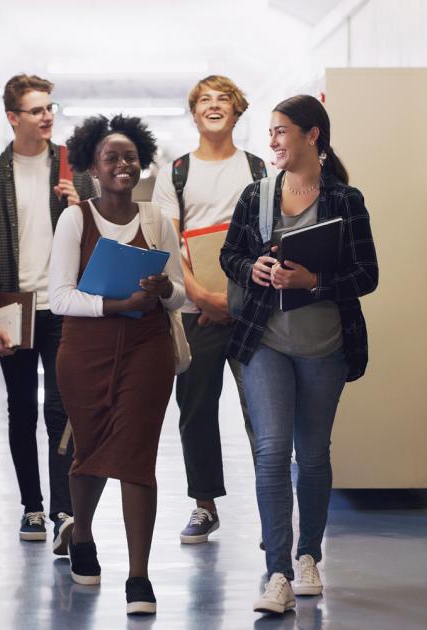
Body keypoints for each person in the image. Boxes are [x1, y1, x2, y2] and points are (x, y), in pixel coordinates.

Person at [220, 94, 378, 614]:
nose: (273, 141)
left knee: (311, 455)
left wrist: (315, 281)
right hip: (264, 342)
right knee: (270, 452)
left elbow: (367, 275)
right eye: (270, 132)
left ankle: (308, 556)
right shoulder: (256, 196)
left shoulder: (344, 200)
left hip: (325, 346)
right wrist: (253, 270)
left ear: (313, 136)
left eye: (282, 131)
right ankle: (278, 572)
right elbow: (230, 255)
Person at [48, 115, 185, 615]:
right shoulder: (74, 219)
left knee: (136, 453)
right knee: (89, 448)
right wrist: (114, 305)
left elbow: (181, 297)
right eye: (112, 158)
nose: (123, 164)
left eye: (130, 156)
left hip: (147, 350)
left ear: (142, 162)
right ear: (92, 168)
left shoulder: (156, 221)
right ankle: (81, 535)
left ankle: (139, 576)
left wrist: (166, 290)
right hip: (85, 352)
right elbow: (59, 297)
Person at [0, 74, 97, 553]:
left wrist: (80, 205)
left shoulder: (76, 169)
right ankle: (32, 505)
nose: (47, 116)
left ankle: (65, 511)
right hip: (12, 303)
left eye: (50, 107)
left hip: (64, 303)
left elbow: (103, 235)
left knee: (61, 409)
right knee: (20, 408)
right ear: (12, 117)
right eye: (35, 109)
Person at [151, 75, 266, 543]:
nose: (214, 106)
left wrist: (240, 299)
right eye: (205, 100)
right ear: (194, 113)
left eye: (224, 100)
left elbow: (268, 236)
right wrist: (199, 295)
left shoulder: (260, 170)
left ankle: (271, 508)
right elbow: (169, 241)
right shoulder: (174, 173)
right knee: (195, 408)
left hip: (253, 310)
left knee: (262, 411)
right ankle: (204, 505)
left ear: (238, 112)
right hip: (196, 310)